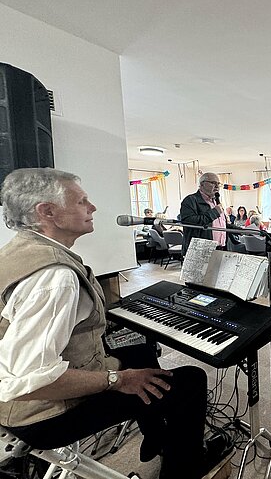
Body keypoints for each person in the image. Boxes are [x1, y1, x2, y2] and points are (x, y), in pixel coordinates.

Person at [0, 168, 226, 479]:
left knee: (140, 350)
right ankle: (184, 470)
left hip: (31, 395)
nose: (92, 207)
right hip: (42, 415)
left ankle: (158, 436)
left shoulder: (22, 250)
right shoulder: (54, 278)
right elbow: (30, 381)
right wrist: (118, 380)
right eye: (81, 201)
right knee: (191, 381)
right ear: (47, 212)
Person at [179, 172, 227, 255]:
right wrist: (215, 212)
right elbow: (188, 222)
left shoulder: (216, 201)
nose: (217, 186)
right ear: (202, 184)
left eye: (218, 184)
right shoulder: (190, 200)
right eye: (213, 183)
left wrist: (240, 230)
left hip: (220, 248)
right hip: (200, 250)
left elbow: (221, 224)